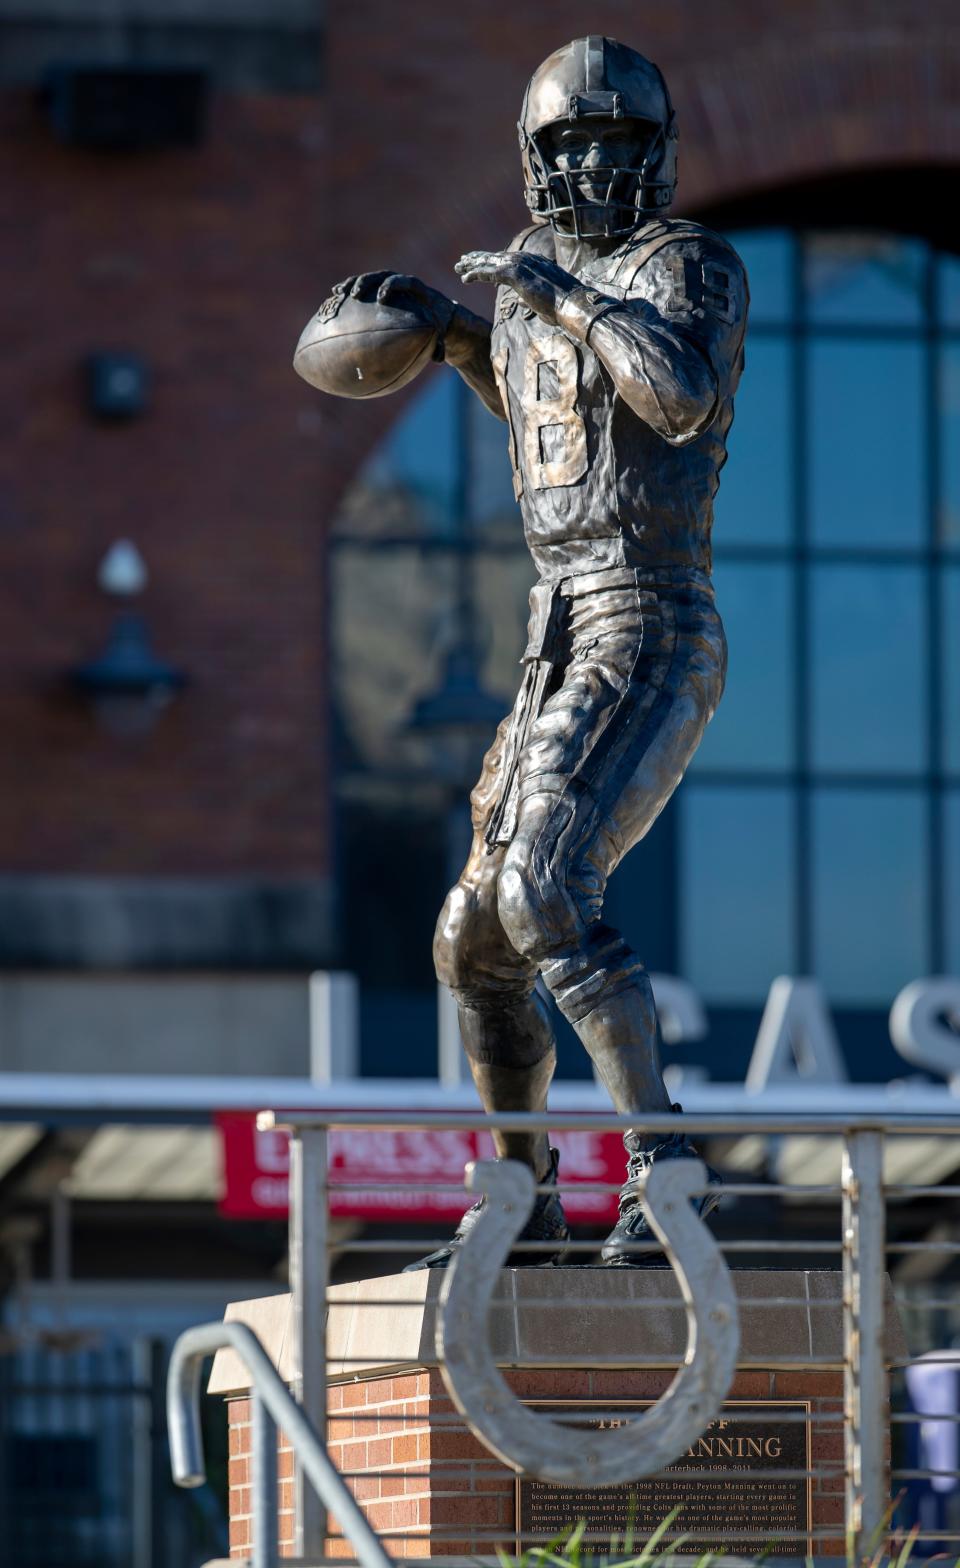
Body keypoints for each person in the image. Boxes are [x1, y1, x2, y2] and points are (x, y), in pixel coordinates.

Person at [334, 36, 748, 1266]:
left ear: (659, 151)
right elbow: (550, 409)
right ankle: (521, 1201)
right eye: (574, 142)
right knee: (471, 937)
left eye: (619, 142)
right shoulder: (532, 292)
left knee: (545, 886)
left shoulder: (691, 265)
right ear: (536, 156)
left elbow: (674, 394)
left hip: (652, 610)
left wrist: (557, 293)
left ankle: (663, 1172)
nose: (597, 164)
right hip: (553, 626)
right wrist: (454, 331)